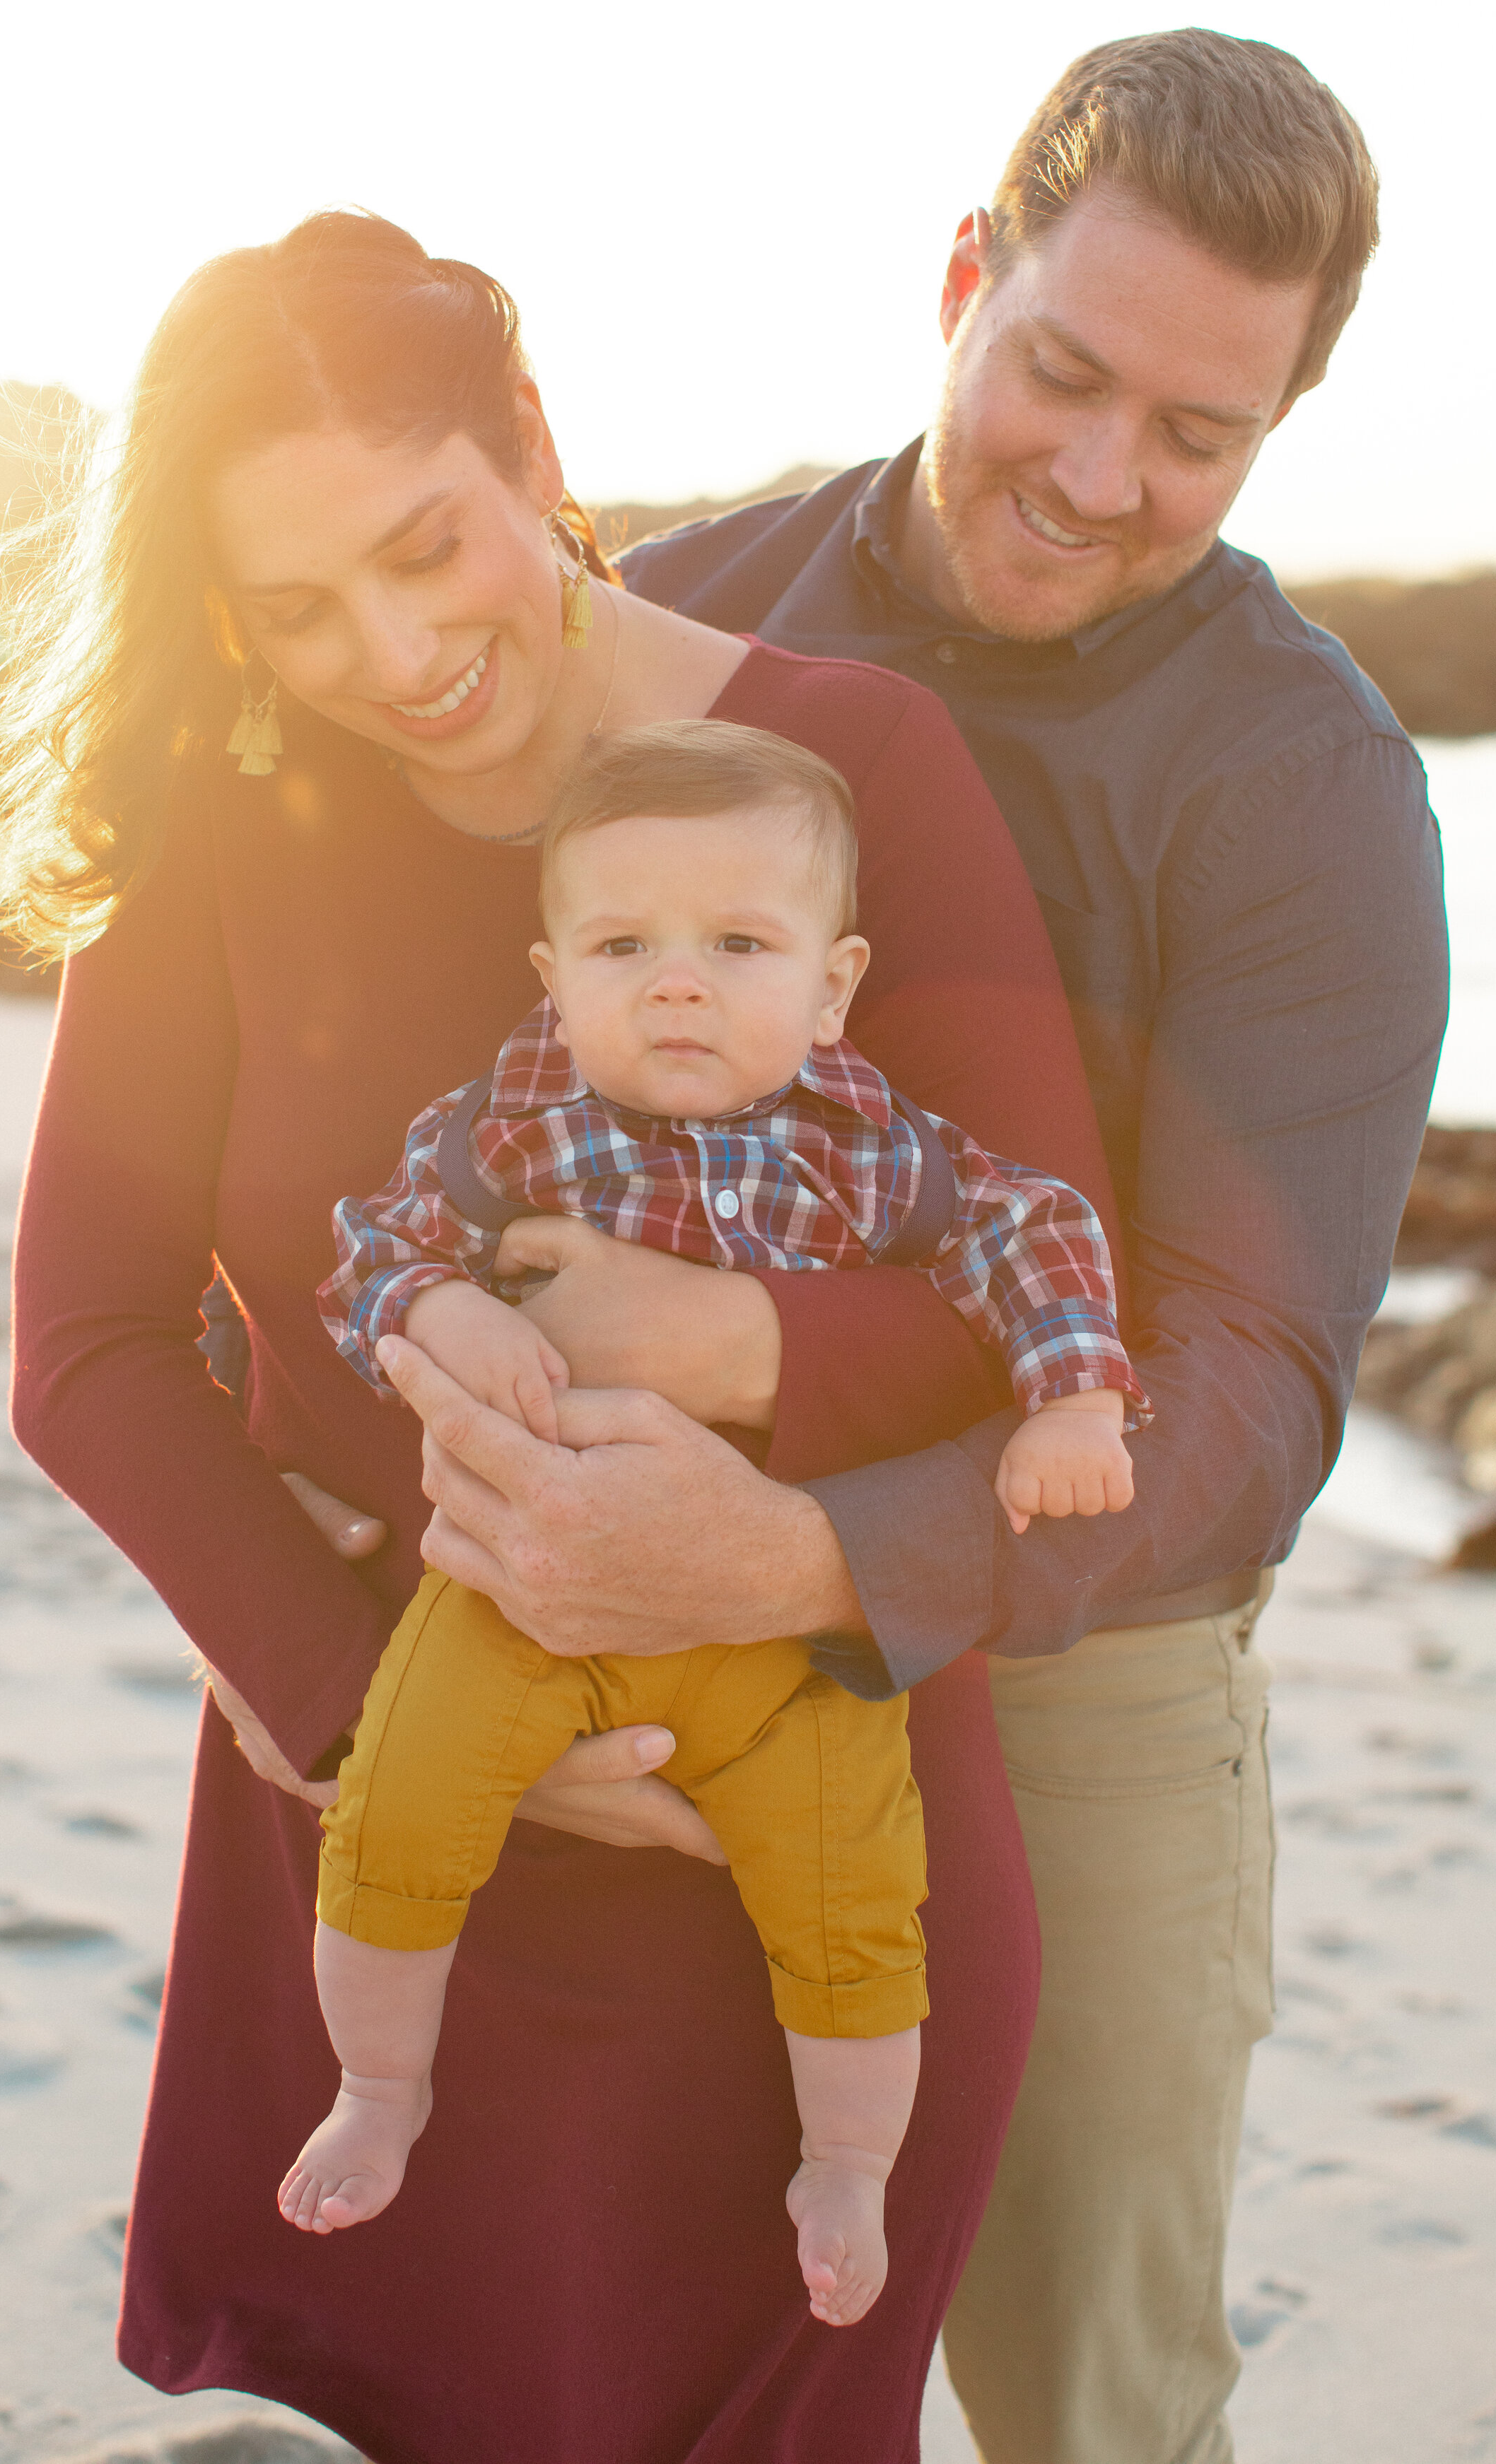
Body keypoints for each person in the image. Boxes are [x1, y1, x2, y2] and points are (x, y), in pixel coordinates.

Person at [385, 31, 1449, 2463]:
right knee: (643, 2366)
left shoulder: (1310, 788)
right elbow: (442, 1133)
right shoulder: (669, 616)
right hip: (628, 1645)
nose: (1101, 477)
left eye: (1201, 434)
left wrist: (796, 1530)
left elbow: (1254, 1394)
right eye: (1064, 373)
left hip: (1089, 1683)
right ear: (964, 277)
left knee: (1092, 2404)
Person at [0, 209, 1126, 2460]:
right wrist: (341, 1681)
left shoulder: (847, 766)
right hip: (385, 1843)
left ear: (531, 442)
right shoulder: (220, 831)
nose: (392, 654)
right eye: (292, 607)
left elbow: (1053, 1281)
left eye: (428, 546)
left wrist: (728, 1349)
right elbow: (84, 1344)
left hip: (787, 1865)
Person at [284, 720, 1144, 2328]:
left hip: (777, 1628)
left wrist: (1072, 1396)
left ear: (829, 986)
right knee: (391, 1806)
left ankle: (848, 2161)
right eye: (625, 946)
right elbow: (364, 1250)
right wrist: (433, 1319)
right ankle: (377, 2080)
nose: (676, 983)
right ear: (555, 975)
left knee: (854, 1896)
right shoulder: (506, 1135)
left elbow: (1037, 1229)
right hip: (516, 1601)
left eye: (737, 946)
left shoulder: (878, 1157)